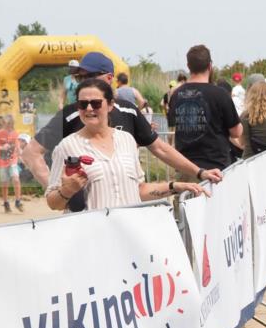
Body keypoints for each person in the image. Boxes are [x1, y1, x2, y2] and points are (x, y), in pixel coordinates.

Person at [23, 51, 223, 212]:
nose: (83, 81)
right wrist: (65, 193)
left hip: (128, 230)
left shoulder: (127, 113)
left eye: (90, 76)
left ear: (109, 79)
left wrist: (198, 172)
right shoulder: (71, 115)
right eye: (80, 77)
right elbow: (31, 153)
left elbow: (159, 149)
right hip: (89, 229)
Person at [47, 79, 206, 211]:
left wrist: (175, 186)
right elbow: (52, 202)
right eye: (82, 104)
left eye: (95, 103)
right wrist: (66, 191)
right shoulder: (66, 147)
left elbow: (140, 190)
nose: (89, 108)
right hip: (94, 239)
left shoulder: (126, 140)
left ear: (110, 105)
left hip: (130, 234)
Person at [167, 45, 243, 175]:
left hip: (185, 167)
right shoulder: (220, 94)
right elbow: (236, 132)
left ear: (188, 66)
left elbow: (172, 128)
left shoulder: (176, 94)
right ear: (210, 66)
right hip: (215, 169)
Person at [0, 115, 23, 212]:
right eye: (5, 124)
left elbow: (17, 146)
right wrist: (1, 147)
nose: (7, 126)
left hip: (13, 160)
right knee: (5, 183)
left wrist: (20, 152)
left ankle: (18, 201)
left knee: (16, 179)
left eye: (9, 124)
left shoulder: (15, 133)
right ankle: (6, 203)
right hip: (2, 161)